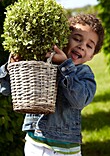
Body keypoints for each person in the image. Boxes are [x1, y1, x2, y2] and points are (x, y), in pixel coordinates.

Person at [0, 14, 104, 156]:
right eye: (77, 39)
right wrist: (11, 67)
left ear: (92, 55)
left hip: (67, 149)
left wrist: (65, 66)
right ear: (63, 37)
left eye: (89, 46)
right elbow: (6, 89)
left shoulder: (84, 73)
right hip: (36, 143)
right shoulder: (43, 64)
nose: (81, 46)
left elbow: (79, 100)